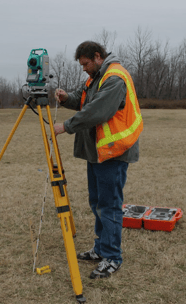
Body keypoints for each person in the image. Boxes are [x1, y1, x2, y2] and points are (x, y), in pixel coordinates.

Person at [53, 41, 143, 279]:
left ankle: (112, 257)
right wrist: (65, 99)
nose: (83, 68)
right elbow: (85, 102)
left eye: (85, 64)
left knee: (109, 206)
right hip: (98, 153)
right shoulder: (97, 77)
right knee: (97, 203)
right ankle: (101, 249)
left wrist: (65, 126)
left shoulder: (114, 78)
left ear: (97, 56)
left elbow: (96, 112)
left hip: (113, 153)